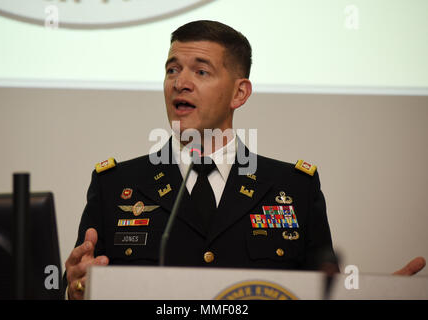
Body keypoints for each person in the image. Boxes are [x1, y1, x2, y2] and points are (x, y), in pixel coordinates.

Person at [64, 20, 425, 300]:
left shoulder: (294, 188)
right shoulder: (116, 185)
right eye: (172, 69)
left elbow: (322, 292)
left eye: (200, 71)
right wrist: (76, 289)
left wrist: (375, 296)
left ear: (239, 92)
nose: (180, 83)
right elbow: (81, 286)